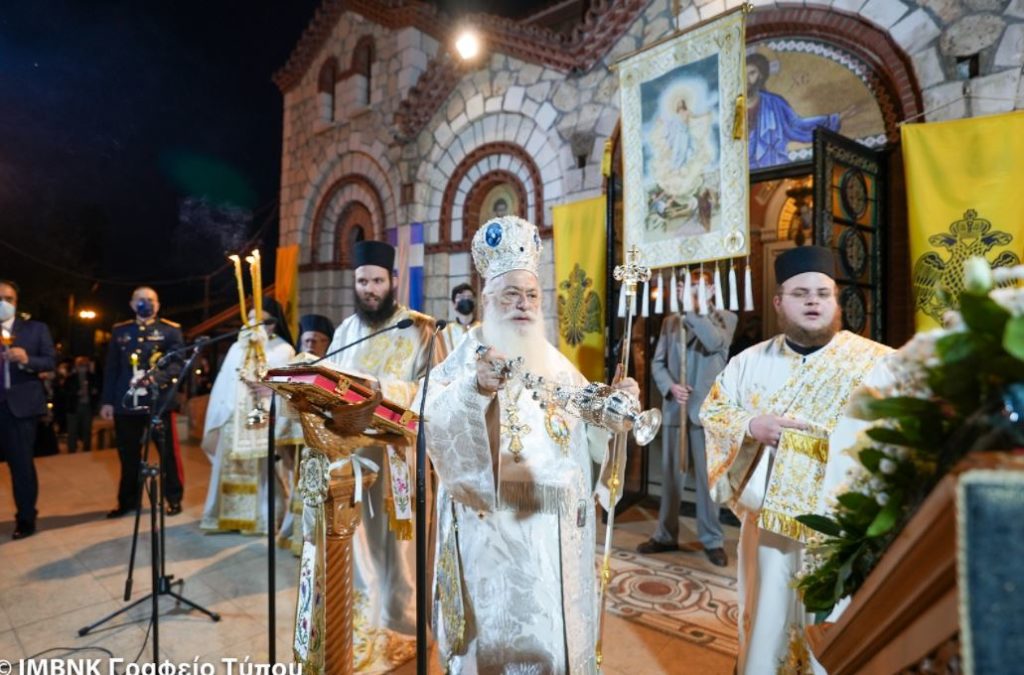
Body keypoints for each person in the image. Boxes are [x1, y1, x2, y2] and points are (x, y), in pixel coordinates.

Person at [422, 216, 639, 673]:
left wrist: (613, 410)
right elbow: (435, 424)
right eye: (510, 295)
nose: (523, 304)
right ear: (486, 300)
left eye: (532, 295)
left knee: (556, 645)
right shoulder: (463, 359)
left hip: (557, 539)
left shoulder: (556, 364)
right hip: (493, 541)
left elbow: (588, 432)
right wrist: (475, 390)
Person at [700, 246, 894, 674]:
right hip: (770, 531)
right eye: (800, 294)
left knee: (835, 635)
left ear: (835, 301)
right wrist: (752, 425)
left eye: (823, 294)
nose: (813, 302)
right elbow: (713, 412)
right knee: (768, 622)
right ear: (778, 303)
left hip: (842, 533)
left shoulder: (878, 363)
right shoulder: (748, 363)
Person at [325, 239, 445, 671]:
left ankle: (403, 629)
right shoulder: (345, 330)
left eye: (377, 281)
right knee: (359, 547)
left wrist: (382, 390)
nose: (370, 289)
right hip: (352, 459)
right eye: (362, 282)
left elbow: (437, 390)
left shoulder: (421, 329)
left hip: (399, 461)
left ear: (393, 281)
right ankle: (362, 626)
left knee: (399, 550)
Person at [639, 270, 736, 566]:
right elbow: (657, 363)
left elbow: (713, 342)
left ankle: (712, 540)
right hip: (676, 410)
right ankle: (665, 535)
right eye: (687, 287)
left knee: (708, 481)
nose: (690, 291)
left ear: (711, 290)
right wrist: (670, 386)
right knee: (671, 478)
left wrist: (693, 310)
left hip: (706, 412)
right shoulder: (671, 322)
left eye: (697, 287)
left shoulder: (725, 319)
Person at [201, 306, 295, 535]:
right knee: (227, 466)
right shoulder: (237, 347)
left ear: (272, 324)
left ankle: (259, 519)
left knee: (262, 468)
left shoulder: (283, 349)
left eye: (259, 320)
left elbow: (286, 385)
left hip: (261, 417)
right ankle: (222, 518)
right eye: (250, 318)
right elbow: (225, 382)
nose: (252, 324)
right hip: (232, 417)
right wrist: (219, 415)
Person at [100, 287, 185, 518]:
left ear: (158, 305)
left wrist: (155, 378)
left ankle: (173, 498)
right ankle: (128, 502)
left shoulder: (170, 330)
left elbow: (177, 363)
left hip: (159, 402)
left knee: (167, 454)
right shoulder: (120, 331)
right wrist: (107, 401)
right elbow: (112, 368)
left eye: (150, 300)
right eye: (141, 299)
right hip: (126, 403)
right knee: (128, 456)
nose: (146, 303)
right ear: (131, 304)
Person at [0, 280, 56, 539]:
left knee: (21, 465)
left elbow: (49, 361)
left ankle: (25, 518)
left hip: (20, 408)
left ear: (16, 302)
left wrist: (26, 360)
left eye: (8, 299)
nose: (3, 303)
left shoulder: (36, 329)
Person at [275, 312, 334, 554]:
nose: (311, 344)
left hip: (328, 443)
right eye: (307, 339)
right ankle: (299, 540)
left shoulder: (334, 369)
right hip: (302, 445)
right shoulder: (293, 368)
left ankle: (321, 542)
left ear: (328, 343)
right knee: (302, 491)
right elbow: (284, 410)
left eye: (318, 340)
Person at [747, 53, 855, 170]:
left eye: (752, 73)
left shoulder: (774, 102)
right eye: (744, 74)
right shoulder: (736, 106)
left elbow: (797, 125)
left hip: (768, 165)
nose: (747, 79)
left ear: (761, 75)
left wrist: (834, 118)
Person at [62, 356, 100, 453]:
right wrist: (75, 393)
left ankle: (87, 450)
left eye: (85, 366)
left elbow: (97, 389)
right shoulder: (70, 378)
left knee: (87, 430)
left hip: (87, 406)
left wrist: (94, 392)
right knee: (72, 430)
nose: (83, 368)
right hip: (73, 407)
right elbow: (64, 392)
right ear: (76, 366)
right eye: (81, 365)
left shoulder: (92, 377)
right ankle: (72, 450)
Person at [439, 282, 479, 353]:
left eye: (469, 297)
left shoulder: (482, 329)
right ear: (454, 304)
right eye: (461, 297)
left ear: (474, 303)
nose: (466, 299)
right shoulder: (446, 332)